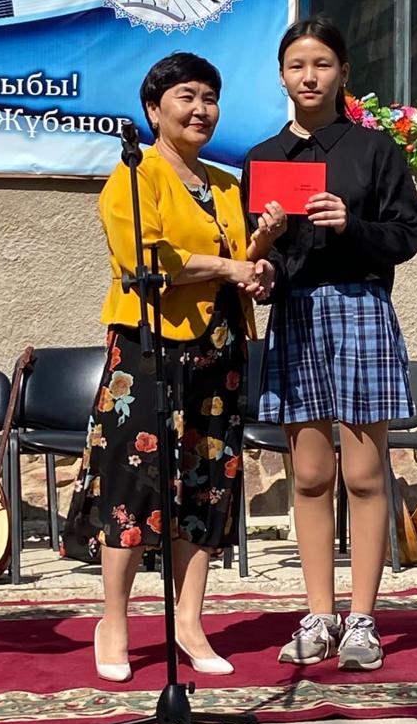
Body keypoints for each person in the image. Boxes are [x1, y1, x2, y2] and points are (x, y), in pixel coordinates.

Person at [62, 52, 276, 682]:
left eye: (210, 97)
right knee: (134, 486)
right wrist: (231, 266)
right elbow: (146, 259)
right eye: (187, 96)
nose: (201, 109)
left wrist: (261, 254)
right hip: (149, 351)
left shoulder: (226, 184)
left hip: (219, 351)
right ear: (154, 110)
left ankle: (189, 621)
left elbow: (237, 259)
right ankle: (114, 622)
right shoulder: (135, 177)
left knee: (208, 482)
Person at [242, 15, 417, 672]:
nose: (309, 76)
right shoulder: (262, 157)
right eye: (297, 65)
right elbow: (258, 257)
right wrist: (263, 260)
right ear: (282, 76)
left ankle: (363, 619)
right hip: (295, 315)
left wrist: (352, 225)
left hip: (360, 309)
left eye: (322, 64)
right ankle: (319, 615)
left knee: (365, 474)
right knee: (312, 475)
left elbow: (407, 234)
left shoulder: (374, 150)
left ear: (343, 72)